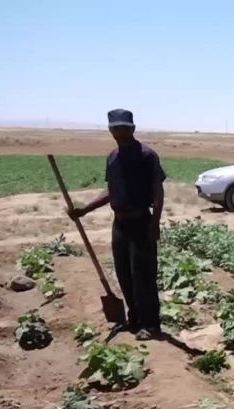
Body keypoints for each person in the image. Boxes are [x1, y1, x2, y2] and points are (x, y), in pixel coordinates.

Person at [68, 109, 166, 340]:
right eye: (115, 128)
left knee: (143, 276)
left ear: (133, 128)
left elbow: (158, 192)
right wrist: (84, 210)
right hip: (119, 225)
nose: (120, 132)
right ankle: (134, 319)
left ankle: (151, 324)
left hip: (141, 222)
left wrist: (154, 224)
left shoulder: (147, 155)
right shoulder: (112, 157)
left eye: (124, 127)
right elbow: (111, 193)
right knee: (124, 274)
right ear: (110, 130)